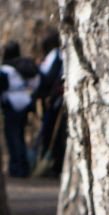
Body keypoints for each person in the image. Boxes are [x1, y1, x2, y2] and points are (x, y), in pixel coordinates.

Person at [0, 42, 38, 179]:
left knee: (13, 136)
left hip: (11, 104)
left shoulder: (6, 69)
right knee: (20, 135)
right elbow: (35, 83)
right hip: (25, 102)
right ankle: (24, 167)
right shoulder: (23, 66)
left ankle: (16, 168)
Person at [32, 32, 67, 177]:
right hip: (52, 100)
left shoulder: (57, 56)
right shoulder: (57, 56)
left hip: (55, 100)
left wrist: (51, 96)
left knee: (55, 133)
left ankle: (56, 165)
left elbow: (51, 78)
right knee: (50, 132)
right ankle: (52, 163)